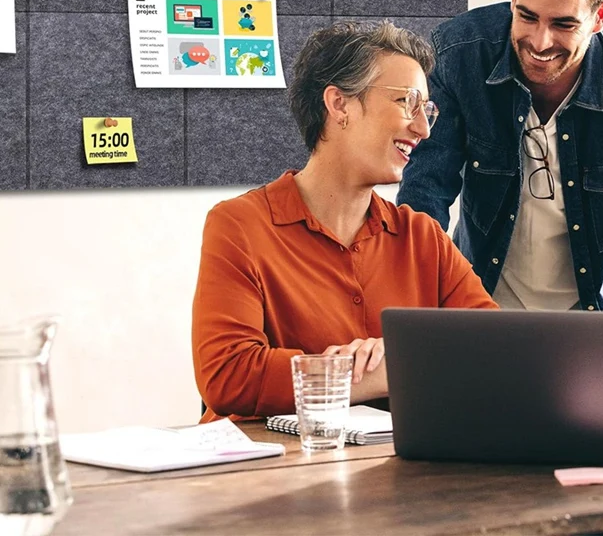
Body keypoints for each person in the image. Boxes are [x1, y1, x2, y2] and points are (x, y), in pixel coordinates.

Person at [192, 22, 498, 422]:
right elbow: (228, 375)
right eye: (407, 102)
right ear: (339, 105)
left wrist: (397, 360)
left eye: (428, 110)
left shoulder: (422, 238)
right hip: (267, 475)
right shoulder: (239, 226)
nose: (423, 128)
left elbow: (495, 351)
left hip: (395, 472)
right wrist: (367, 375)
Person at [397, 0, 603, 311]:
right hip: (482, 305)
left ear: (599, 17)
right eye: (527, 16)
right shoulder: (461, 53)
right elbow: (425, 190)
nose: (540, 42)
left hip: (590, 319)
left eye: (564, 24)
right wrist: (419, 306)